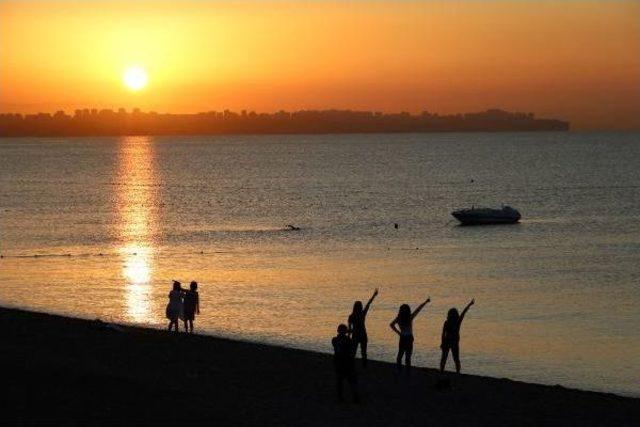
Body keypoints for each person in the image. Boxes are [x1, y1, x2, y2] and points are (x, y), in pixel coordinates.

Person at [389, 297, 430, 373]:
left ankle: (400, 370)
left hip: (403, 338)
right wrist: (425, 302)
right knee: (407, 357)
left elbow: (391, 325)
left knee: (400, 356)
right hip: (408, 338)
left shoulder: (400, 318)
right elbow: (418, 309)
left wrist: (398, 332)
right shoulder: (409, 317)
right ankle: (406, 371)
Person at [440, 299, 474, 374]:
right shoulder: (455, 322)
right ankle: (456, 372)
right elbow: (464, 312)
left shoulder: (451, 322)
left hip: (450, 342)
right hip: (451, 342)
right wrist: (470, 304)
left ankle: (443, 371)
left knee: (447, 358)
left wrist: (470, 304)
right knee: (453, 359)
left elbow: (443, 334)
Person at [348, 288, 379, 368]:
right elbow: (368, 304)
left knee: (353, 351)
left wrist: (348, 337)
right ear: (360, 307)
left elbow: (349, 328)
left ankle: (351, 365)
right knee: (364, 352)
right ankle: (364, 366)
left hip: (355, 335)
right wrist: (374, 295)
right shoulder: (362, 314)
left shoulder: (351, 316)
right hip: (363, 335)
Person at [332, 324, 359, 403]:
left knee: (340, 381)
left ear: (338, 331)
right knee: (351, 381)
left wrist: (348, 333)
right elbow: (352, 348)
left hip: (339, 363)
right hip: (347, 363)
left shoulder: (334, 340)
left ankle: (340, 398)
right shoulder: (347, 340)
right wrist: (349, 333)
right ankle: (354, 398)